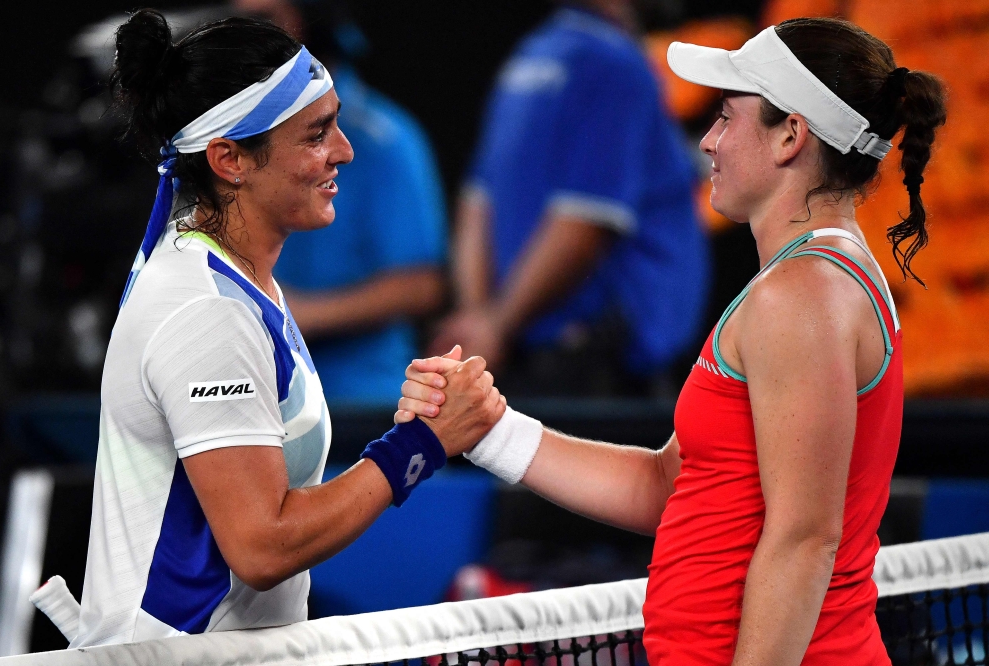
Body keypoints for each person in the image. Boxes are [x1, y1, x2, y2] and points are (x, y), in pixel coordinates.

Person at [399, 17, 946, 665]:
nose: (708, 141)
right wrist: (491, 430)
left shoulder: (802, 294)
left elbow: (805, 541)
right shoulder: (804, 284)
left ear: (791, 135)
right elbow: (668, 486)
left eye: (726, 116)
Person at [73, 10, 502, 647]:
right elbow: (263, 545)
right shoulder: (208, 313)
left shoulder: (240, 282)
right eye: (316, 134)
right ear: (230, 159)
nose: (345, 151)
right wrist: (420, 446)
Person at [431, 0, 708, 396]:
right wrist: (493, 326)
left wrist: (480, 321)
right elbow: (585, 219)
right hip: (602, 375)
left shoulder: (529, 57)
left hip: (526, 361)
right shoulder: (614, 63)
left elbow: (477, 203)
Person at [237, 0, 449, 405]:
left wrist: (289, 315)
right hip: (256, 394)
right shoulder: (237, 137)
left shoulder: (386, 140)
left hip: (359, 405)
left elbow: (421, 284)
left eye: (264, 21)